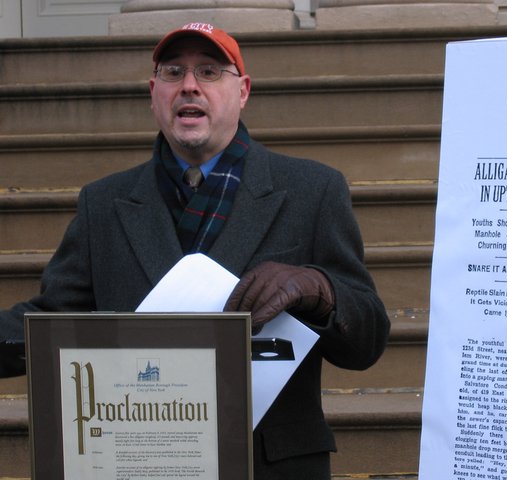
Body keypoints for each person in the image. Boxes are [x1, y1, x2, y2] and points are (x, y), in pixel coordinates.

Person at [0, 22, 390, 479]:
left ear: (242, 91)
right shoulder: (103, 203)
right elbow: (52, 319)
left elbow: (367, 340)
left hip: (269, 464)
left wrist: (321, 289)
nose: (189, 85)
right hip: (142, 459)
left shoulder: (313, 190)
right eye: (173, 72)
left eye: (209, 71)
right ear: (153, 93)